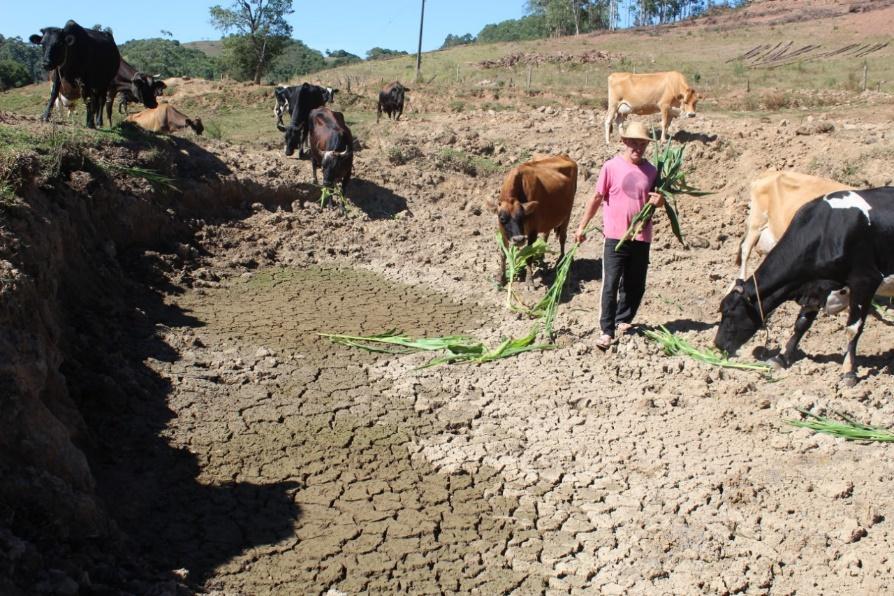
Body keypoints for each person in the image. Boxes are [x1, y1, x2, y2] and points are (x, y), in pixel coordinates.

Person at [574, 120, 664, 350]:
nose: (638, 147)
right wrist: (582, 226)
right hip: (615, 236)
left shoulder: (652, 171)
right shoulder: (611, 167)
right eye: (633, 142)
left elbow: (656, 201)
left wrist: (660, 202)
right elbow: (596, 198)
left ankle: (623, 319)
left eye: (642, 143)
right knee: (611, 283)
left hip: (641, 237)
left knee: (636, 285)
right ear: (624, 142)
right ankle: (606, 330)